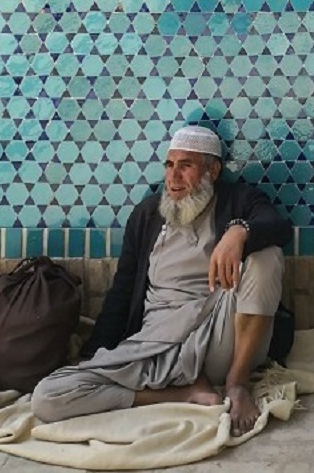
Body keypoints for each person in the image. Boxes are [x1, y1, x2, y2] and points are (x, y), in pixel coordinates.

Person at [32, 125, 291, 437]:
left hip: (219, 335)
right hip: (158, 345)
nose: (173, 177)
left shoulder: (237, 201)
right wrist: (95, 353)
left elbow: (277, 226)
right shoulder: (146, 215)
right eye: (170, 165)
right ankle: (185, 394)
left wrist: (239, 232)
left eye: (186, 166)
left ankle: (236, 385)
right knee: (47, 396)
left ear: (212, 170)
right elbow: (122, 291)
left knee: (267, 256)